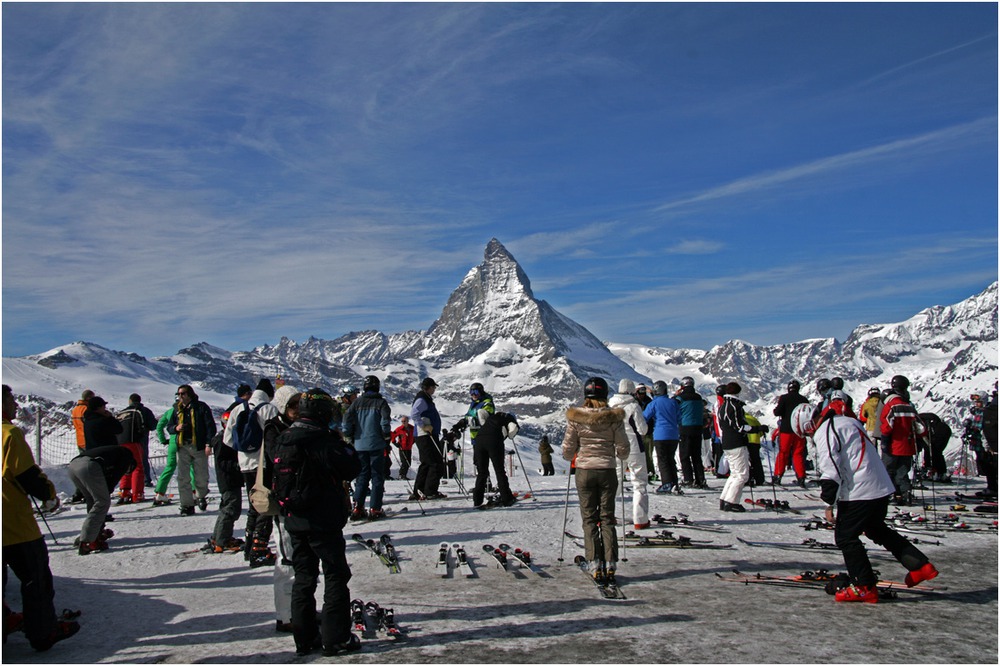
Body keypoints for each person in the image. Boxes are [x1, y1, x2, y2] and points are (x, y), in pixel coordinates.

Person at [789, 402, 939, 603]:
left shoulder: (825, 432)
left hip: (860, 490)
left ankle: (864, 586)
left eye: (806, 434)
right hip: (880, 486)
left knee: (845, 537)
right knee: (876, 528)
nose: (809, 437)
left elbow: (831, 472)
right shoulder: (846, 421)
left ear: (808, 426)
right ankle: (919, 566)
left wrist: (828, 505)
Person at [268, 388, 361, 657]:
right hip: (323, 518)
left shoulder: (284, 437)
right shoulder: (321, 439)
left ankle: (305, 638)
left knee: (304, 578)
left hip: (294, 517)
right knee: (335, 575)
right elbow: (351, 466)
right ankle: (336, 638)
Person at [2, 385, 81, 652]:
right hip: (12, 521)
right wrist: (48, 494)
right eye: (11, 401)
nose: (15, 406)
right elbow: (26, 474)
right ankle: (43, 631)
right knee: (35, 578)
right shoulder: (9, 434)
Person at [561, 377, 629, 584]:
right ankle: (610, 563)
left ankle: (594, 562)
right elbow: (624, 448)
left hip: (584, 471)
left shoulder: (576, 418)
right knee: (607, 518)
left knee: (589, 518)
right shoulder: (614, 418)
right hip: (607, 470)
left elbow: (567, 450)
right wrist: (617, 454)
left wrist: (574, 454)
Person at [224, 380, 279, 565]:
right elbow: (274, 438)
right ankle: (259, 548)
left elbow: (228, 439)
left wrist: (244, 451)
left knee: (254, 503)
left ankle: (249, 546)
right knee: (266, 503)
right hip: (263, 464)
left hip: (245, 464)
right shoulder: (269, 409)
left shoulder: (238, 409)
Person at [260, 384, 300, 633]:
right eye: (293, 405)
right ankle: (285, 616)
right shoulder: (273, 428)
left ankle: (300, 609)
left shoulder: (293, 426)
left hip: (299, 498)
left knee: (300, 558)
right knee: (286, 559)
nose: (297, 410)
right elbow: (278, 458)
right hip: (281, 499)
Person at [67, 444, 135, 554]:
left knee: (92, 500)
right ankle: (88, 541)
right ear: (131, 465)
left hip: (73, 466)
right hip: (89, 465)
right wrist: (106, 492)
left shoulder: (114, 453)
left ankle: (94, 533)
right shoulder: (126, 456)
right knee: (102, 502)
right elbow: (113, 480)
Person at [343, 375, 392, 521]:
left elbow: (346, 421)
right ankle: (375, 508)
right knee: (377, 476)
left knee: (362, 476)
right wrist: (386, 437)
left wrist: (349, 436)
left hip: (359, 445)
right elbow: (385, 422)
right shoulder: (381, 403)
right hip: (377, 444)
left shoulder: (356, 403)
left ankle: (358, 508)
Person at [717, 382, 767, 512]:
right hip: (737, 442)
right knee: (742, 475)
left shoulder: (723, 406)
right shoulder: (734, 406)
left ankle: (725, 499)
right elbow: (740, 427)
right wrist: (757, 429)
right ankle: (731, 502)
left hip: (727, 443)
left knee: (734, 473)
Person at [167, 385, 216, 516]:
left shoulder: (201, 407)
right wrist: (176, 428)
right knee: (183, 477)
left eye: (182, 394)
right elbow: (169, 426)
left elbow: (210, 426)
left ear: (189, 394)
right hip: (182, 446)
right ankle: (186, 504)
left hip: (198, 446)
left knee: (201, 475)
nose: (180, 396)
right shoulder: (176, 409)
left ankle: (201, 496)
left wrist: (208, 444)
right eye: (178, 394)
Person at [609, 379, 650, 529]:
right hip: (634, 447)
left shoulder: (610, 405)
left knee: (615, 481)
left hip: (616, 447)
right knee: (639, 482)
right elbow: (642, 429)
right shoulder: (634, 406)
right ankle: (640, 519)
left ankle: (608, 515)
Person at [878, 375, 925, 505]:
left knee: (888, 471)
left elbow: (887, 426)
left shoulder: (891, 406)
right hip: (908, 446)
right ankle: (905, 494)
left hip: (893, 445)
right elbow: (921, 428)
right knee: (902, 472)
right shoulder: (909, 407)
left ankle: (891, 495)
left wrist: (885, 441)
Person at [207, 412, 244, 554]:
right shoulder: (223, 440)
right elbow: (222, 462)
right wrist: (238, 465)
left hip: (229, 479)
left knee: (227, 508)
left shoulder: (224, 438)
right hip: (229, 479)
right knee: (231, 509)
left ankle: (218, 537)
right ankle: (223, 540)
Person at [471, 409, 519, 508]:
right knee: (499, 470)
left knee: (482, 472)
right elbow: (513, 429)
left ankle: (477, 500)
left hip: (479, 440)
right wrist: (511, 435)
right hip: (494, 440)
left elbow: (481, 412)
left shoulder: (491, 418)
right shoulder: (508, 418)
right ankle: (507, 499)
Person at [115, 394, 158, 503]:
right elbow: (153, 425)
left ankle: (124, 491)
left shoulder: (123, 412)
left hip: (120, 442)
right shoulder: (143, 410)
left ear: (130, 401)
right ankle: (137, 493)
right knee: (138, 466)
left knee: (126, 466)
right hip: (136, 441)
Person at [151, 405, 195, 506]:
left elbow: (160, 426)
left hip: (172, 442)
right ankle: (193, 492)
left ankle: (160, 492)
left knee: (170, 467)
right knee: (191, 465)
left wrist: (163, 440)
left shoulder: (170, 412)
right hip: (185, 442)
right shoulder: (188, 411)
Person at [642, 380, 681, 494]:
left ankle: (667, 484)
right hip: (674, 435)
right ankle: (674, 483)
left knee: (662, 460)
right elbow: (679, 418)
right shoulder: (673, 402)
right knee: (670, 459)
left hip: (660, 434)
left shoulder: (653, 404)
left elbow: (644, 417)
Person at [410, 377, 446, 500]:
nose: (434, 389)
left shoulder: (425, 398)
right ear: (429, 387)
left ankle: (420, 491)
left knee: (427, 463)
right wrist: (423, 426)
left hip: (426, 434)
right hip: (426, 435)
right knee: (434, 463)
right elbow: (414, 413)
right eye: (433, 387)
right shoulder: (422, 399)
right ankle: (430, 491)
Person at [772, 380, 809, 487]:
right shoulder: (803, 399)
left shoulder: (784, 398)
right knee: (798, 454)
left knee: (783, 453)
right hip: (799, 431)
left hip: (786, 430)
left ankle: (778, 476)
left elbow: (777, 412)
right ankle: (801, 477)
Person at [675, 377, 708, 489]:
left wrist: (676, 394)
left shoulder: (680, 398)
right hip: (698, 428)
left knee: (684, 455)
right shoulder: (699, 397)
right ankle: (701, 479)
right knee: (696, 456)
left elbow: (672, 405)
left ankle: (688, 479)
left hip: (685, 428)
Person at [69, 389, 94, 502]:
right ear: (89, 398)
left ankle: (79, 492)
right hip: (88, 440)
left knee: (83, 467)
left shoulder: (75, 410)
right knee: (90, 468)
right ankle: (88, 492)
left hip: (80, 440)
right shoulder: (86, 409)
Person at [917, 412, 952, 483]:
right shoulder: (919, 418)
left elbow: (924, 439)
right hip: (943, 430)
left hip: (937, 433)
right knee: (936, 452)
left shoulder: (917, 422)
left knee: (932, 451)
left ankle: (933, 471)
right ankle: (940, 473)